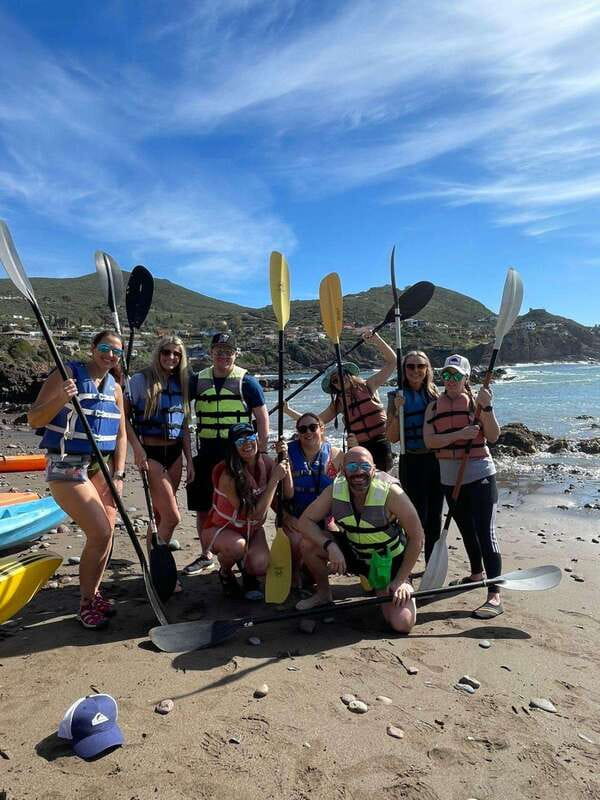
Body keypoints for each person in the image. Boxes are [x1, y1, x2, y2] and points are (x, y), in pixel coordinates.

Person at [28, 331, 127, 630]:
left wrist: (119, 474)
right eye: (105, 348)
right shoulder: (67, 373)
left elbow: (121, 435)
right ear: (93, 348)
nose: (110, 355)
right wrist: (62, 397)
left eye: (117, 352)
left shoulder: (115, 388)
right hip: (67, 464)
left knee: (107, 534)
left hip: (101, 467)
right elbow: (34, 419)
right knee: (100, 532)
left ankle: (93, 593)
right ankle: (85, 605)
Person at [297, 446, 424, 633]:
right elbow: (304, 522)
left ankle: (395, 586)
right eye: (352, 467)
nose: (358, 472)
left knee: (402, 624)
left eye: (364, 466)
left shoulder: (392, 493)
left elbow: (417, 537)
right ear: (343, 471)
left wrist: (401, 579)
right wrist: (330, 546)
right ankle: (324, 593)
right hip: (355, 553)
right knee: (308, 544)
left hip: (388, 562)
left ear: (374, 469)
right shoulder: (334, 490)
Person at [423, 354, 502, 619]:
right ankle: (476, 574)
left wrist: (487, 408)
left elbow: (493, 436)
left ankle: (494, 594)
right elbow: (430, 441)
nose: (450, 379)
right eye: (446, 374)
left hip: (480, 475)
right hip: (450, 478)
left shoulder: (478, 404)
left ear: (466, 378)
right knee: (466, 529)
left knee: (485, 533)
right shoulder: (433, 407)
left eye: (456, 375)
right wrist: (459, 435)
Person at [184, 333, 269, 575]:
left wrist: (260, 455)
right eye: (219, 351)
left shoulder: (247, 382)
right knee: (203, 507)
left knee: (241, 506)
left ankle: (241, 550)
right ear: (211, 353)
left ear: (236, 354)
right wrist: (189, 459)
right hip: (207, 453)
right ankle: (206, 555)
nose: (223, 356)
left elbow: (262, 420)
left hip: (238, 456)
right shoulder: (196, 381)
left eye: (228, 351)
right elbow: (182, 418)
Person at [200, 422, 290, 599]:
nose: (247, 443)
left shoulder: (266, 463)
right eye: (240, 441)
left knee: (260, 565)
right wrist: (274, 480)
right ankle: (225, 572)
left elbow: (287, 493)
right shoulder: (228, 476)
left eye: (250, 437)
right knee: (237, 547)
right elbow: (254, 514)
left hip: (252, 530)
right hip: (221, 529)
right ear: (233, 447)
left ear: (256, 439)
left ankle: (248, 572)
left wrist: (285, 458)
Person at [284, 330, 396, 471]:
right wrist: (287, 410)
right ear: (333, 386)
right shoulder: (339, 403)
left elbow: (392, 361)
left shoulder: (369, 386)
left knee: (383, 479)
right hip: (358, 447)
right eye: (335, 381)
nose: (340, 381)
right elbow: (313, 422)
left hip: (381, 443)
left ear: (348, 374)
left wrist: (376, 339)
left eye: (342, 375)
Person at [125, 335, 194, 551]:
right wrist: (137, 449)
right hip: (151, 454)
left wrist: (189, 461)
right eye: (166, 352)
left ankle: (154, 557)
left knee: (159, 514)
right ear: (158, 353)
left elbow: (183, 426)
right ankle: (158, 561)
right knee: (172, 517)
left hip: (175, 454)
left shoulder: (182, 382)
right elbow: (123, 419)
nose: (171, 357)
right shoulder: (140, 380)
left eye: (176, 354)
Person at [386, 351, 443, 563]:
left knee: (434, 517)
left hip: (435, 461)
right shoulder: (396, 396)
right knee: (416, 516)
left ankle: (431, 564)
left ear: (427, 369)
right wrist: (397, 411)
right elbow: (392, 437)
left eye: (421, 366)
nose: (416, 370)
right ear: (404, 370)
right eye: (410, 366)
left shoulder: (435, 394)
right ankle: (406, 562)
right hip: (410, 461)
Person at [278, 412, 343, 588]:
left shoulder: (336, 455)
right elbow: (279, 495)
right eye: (302, 429)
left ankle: (312, 569)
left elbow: (353, 483)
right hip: (296, 517)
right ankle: (294, 574)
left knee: (338, 541)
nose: (308, 432)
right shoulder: (286, 454)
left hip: (324, 518)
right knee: (297, 540)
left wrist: (355, 448)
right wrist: (286, 517)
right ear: (298, 433)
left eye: (312, 427)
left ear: (321, 429)